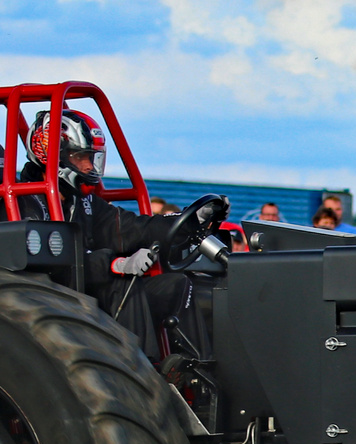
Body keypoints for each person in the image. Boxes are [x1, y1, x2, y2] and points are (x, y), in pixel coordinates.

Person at [31, 107, 219, 359]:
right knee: (125, 284)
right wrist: (114, 264)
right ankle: (146, 372)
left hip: (90, 291)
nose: (88, 165)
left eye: (91, 157)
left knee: (177, 284)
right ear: (53, 156)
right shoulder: (27, 204)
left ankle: (199, 370)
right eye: (79, 156)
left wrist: (190, 220)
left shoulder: (84, 203)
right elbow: (50, 269)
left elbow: (135, 228)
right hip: (54, 299)